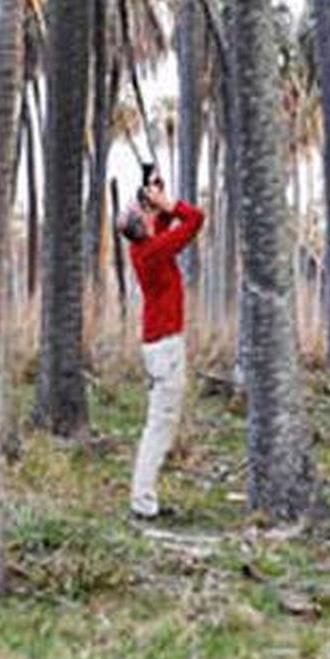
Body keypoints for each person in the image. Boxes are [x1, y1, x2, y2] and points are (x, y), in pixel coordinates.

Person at [118, 164, 205, 520]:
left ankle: (144, 496)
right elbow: (195, 220)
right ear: (144, 226)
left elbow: (166, 227)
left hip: (160, 345)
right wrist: (168, 202)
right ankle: (142, 501)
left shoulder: (148, 247)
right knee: (160, 424)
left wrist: (156, 195)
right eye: (143, 210)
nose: (146, 210)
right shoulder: (153, 252)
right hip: (165, 347)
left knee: (160, 422)